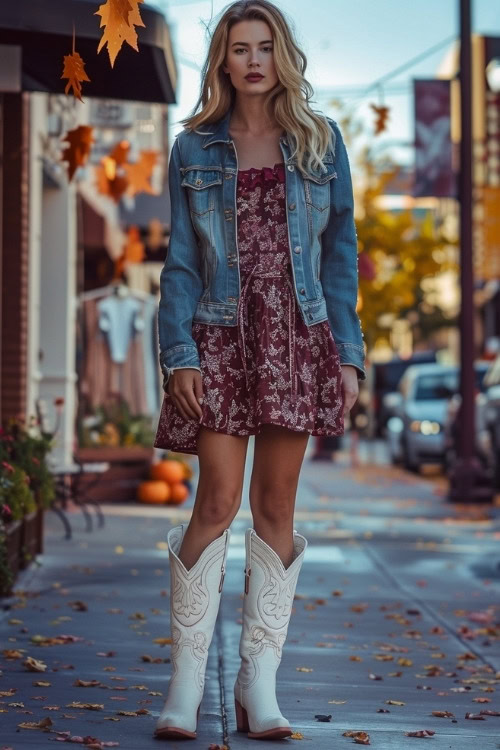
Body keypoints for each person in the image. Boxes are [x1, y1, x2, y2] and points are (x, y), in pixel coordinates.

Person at [153, 0, 366, 741]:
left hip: (297, 336)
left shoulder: (321, 143)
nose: (252, 59)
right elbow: (180, 263)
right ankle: (184, 688)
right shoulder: (193, 149)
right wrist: (178, 351)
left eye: (265, 46)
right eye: (239, 47)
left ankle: (258, 685)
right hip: (217, 335)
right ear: (221, 60)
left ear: (282, 57)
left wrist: (347, 354)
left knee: (276, 508)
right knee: (214, 501)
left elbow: (341, 258)